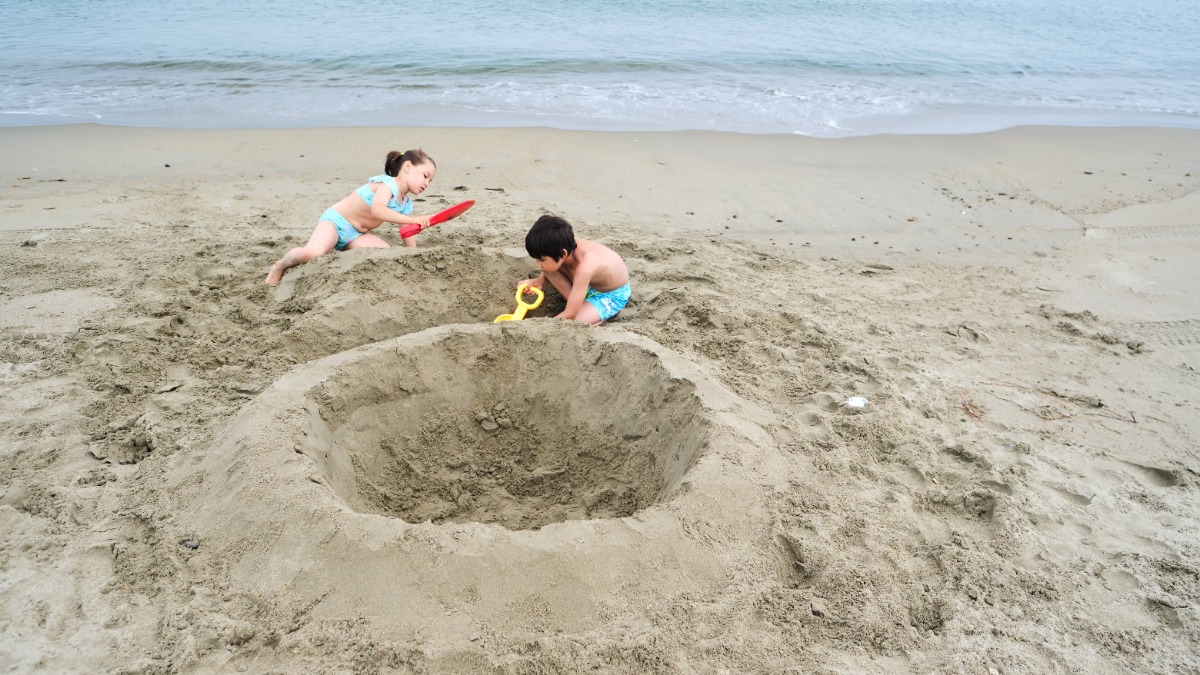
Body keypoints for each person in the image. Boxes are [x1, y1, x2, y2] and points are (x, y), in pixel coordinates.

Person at [265, 149, 437, 285]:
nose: (426, 183)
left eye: (430, 181)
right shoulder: (387, 184)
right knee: (312, 253)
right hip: (336, 222)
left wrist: (413, 255)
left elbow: (406, 230)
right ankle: (280, 265)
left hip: (356, 234)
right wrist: (413, 219)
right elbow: (378, 211)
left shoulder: (405, 202)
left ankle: (339, 248)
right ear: (408, 167)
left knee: (386, 256)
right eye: (425, 176)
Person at [517, 215, 631, 324]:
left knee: (576, 321)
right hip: (587, 283)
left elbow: (570, 315)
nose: (538, 264)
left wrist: (545, 324)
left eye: (541, 259)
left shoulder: (586, 266)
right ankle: (580, 305)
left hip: (610, 294)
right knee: (549, 266)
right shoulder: (561, 243)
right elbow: (552, 261)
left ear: (563, 253)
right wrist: (539, 281)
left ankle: (601, 315)